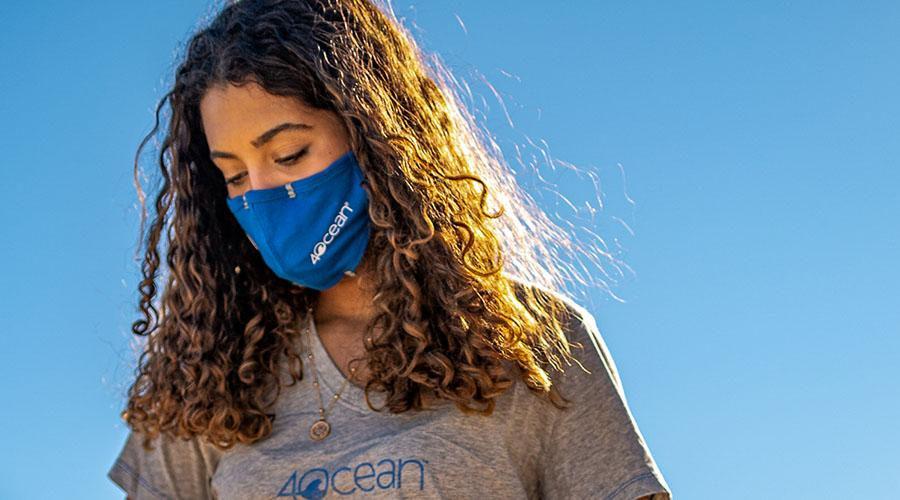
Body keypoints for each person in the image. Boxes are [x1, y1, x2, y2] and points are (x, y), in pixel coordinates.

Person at [106, 0, 673, 498]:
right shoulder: (206, 374)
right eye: (232, 177)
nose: (262, 195)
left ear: (376, 138)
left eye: (288, 156)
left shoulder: (537, 344)